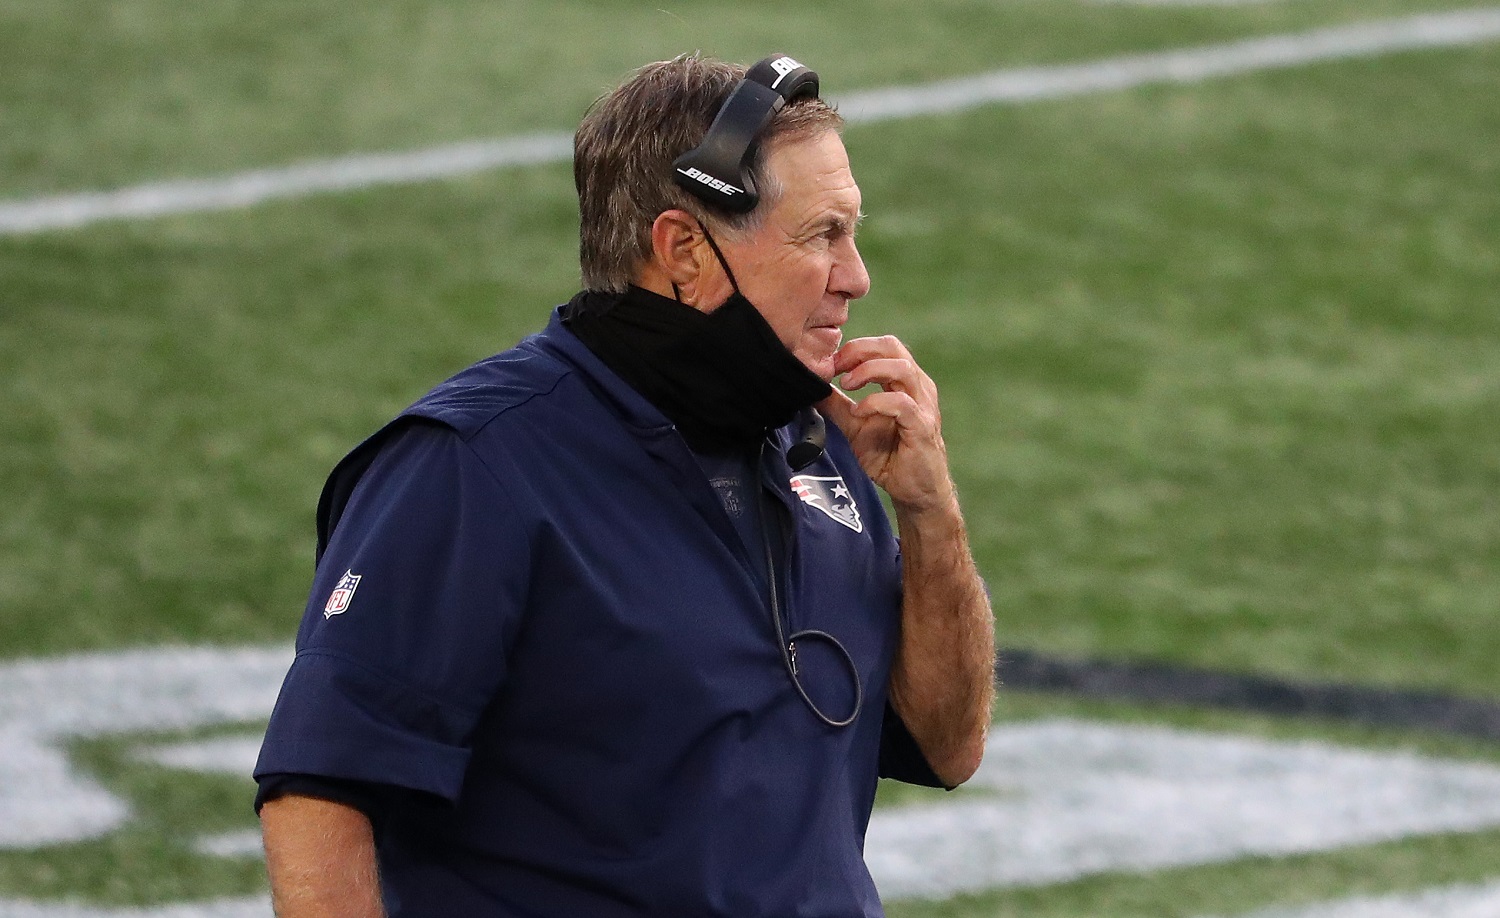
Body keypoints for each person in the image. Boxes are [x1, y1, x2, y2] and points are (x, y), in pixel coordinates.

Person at [255, 52, 995, 918]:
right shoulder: (474, 466)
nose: (856, 275)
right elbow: (320, 795)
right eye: (820, 235)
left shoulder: (820, 443)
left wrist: (931, 514)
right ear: (683, 249)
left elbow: (947, 747)